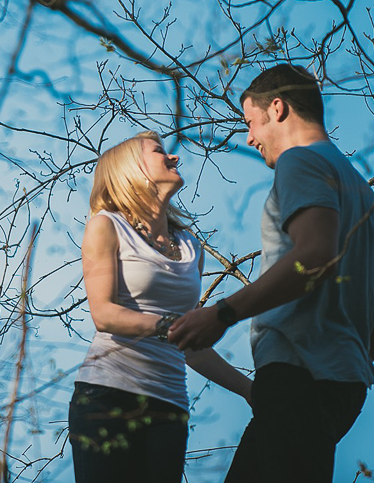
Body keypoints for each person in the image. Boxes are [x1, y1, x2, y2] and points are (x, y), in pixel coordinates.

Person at [169, 64, 374, 483]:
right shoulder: (367, 198)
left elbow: (313, 255)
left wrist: (222, 314)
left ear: (277, 109)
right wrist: (340, 359)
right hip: (344, 389)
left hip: (296, 379)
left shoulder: (300, 162)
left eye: (250, 123)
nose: (249, 137)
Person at [69, 131, 252, 483]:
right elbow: (104, 314)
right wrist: (169, 325)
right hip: (107, 397)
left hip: (170, 407)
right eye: (159, 152)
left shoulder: (190, 247)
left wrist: (249, 391)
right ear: (130, 169)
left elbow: (191, 346)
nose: (174, 158)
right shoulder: (106, 227)